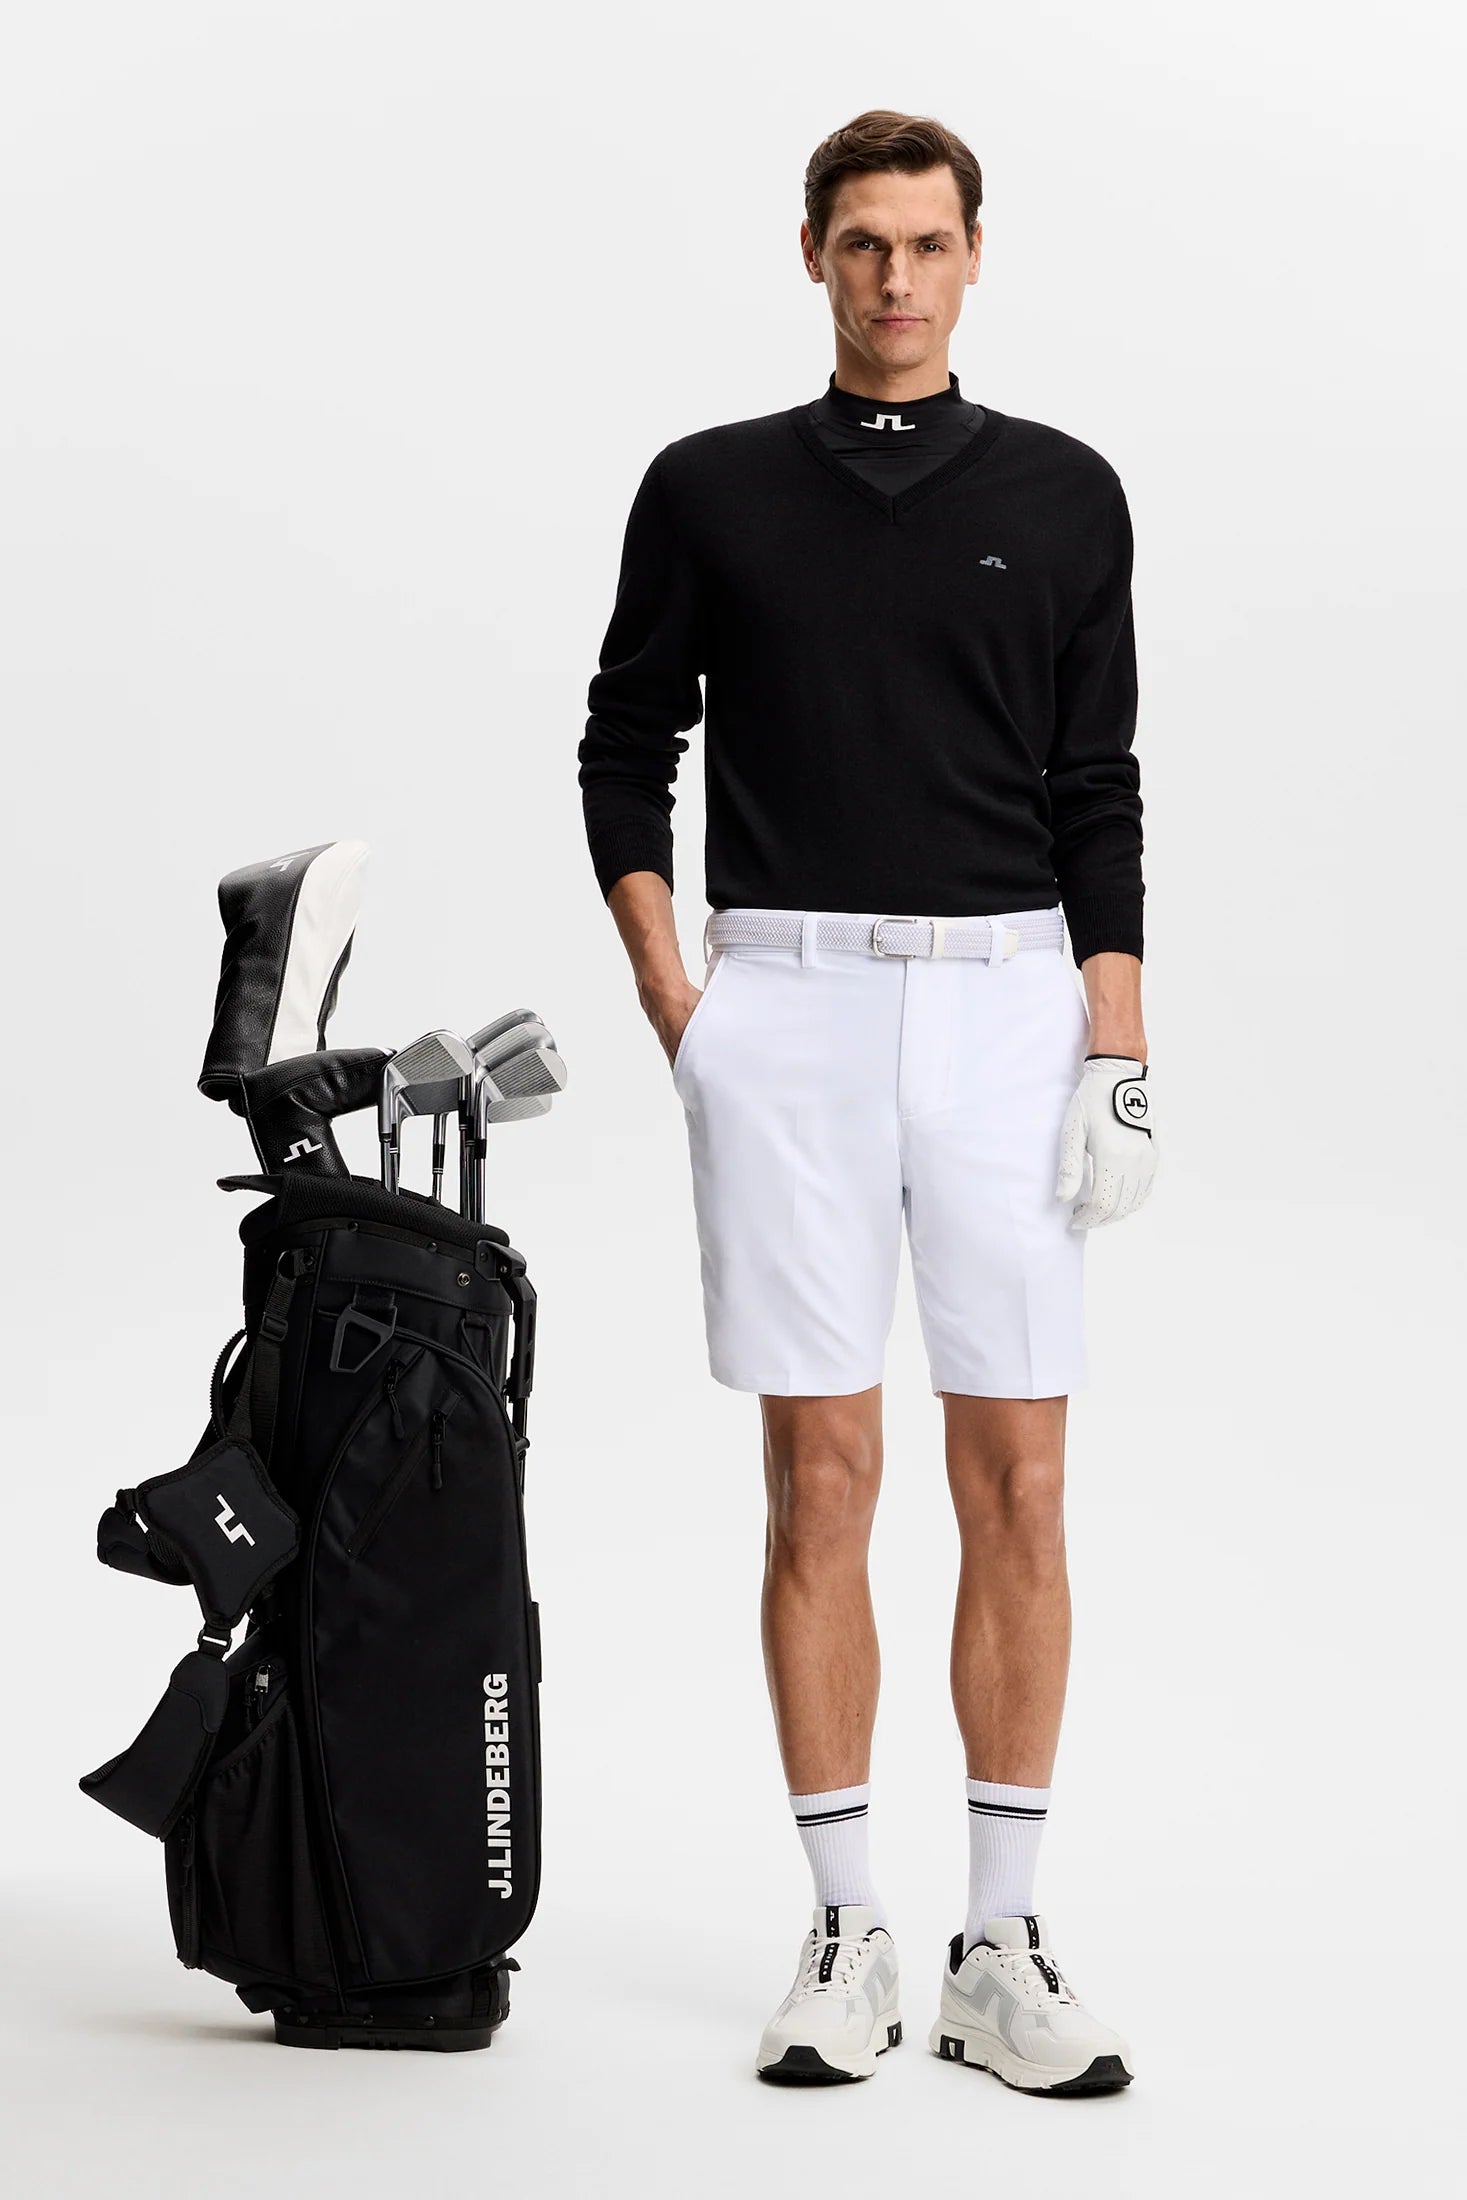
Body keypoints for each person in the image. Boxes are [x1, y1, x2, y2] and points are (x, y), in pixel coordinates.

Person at [577, 109, 1156, 2097]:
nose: (894, 278)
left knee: (1022, 1478)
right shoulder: (711, 488)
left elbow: (1097, 780)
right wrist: (677, 995)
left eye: (925, 242)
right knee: (818, 1478)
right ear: (812, 255)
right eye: (860, 244)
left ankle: (1001, 1940)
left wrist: (1116, 1040)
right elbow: (623, 740)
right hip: (788, 1001)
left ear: (975, 255)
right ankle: (843, 1925)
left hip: (1008, 1005)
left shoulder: (1065, 493)